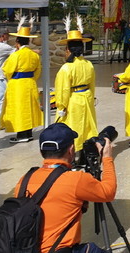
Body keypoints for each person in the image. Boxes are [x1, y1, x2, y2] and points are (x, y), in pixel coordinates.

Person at [14, 122, 116, 253]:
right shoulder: (76, 180)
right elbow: (108, 192)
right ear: (71, 150)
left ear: (41, 151)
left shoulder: (24, 180)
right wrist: (107, 158)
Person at [54, 19, 98, 159]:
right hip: (87, 97)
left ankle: (73, 157)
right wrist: (91, 97)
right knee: (87, 127)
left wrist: (61, 106)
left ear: (68, 50)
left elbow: (63, 90)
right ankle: (86, 155)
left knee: (73, 128)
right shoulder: (88, 64)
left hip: (73, 100)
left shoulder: (66, 68)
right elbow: (92, 84)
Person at [0, 18, 43, 143]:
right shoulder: (34, 55)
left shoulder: (16, 55)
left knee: (19, 109)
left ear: (17, 41)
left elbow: (7, 70)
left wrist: (11, 79)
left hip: (18, 84)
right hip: (30, 82)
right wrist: (31, 79)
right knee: (29, 108)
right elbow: (38, 70)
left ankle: (22, 135)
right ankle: (28, 132)